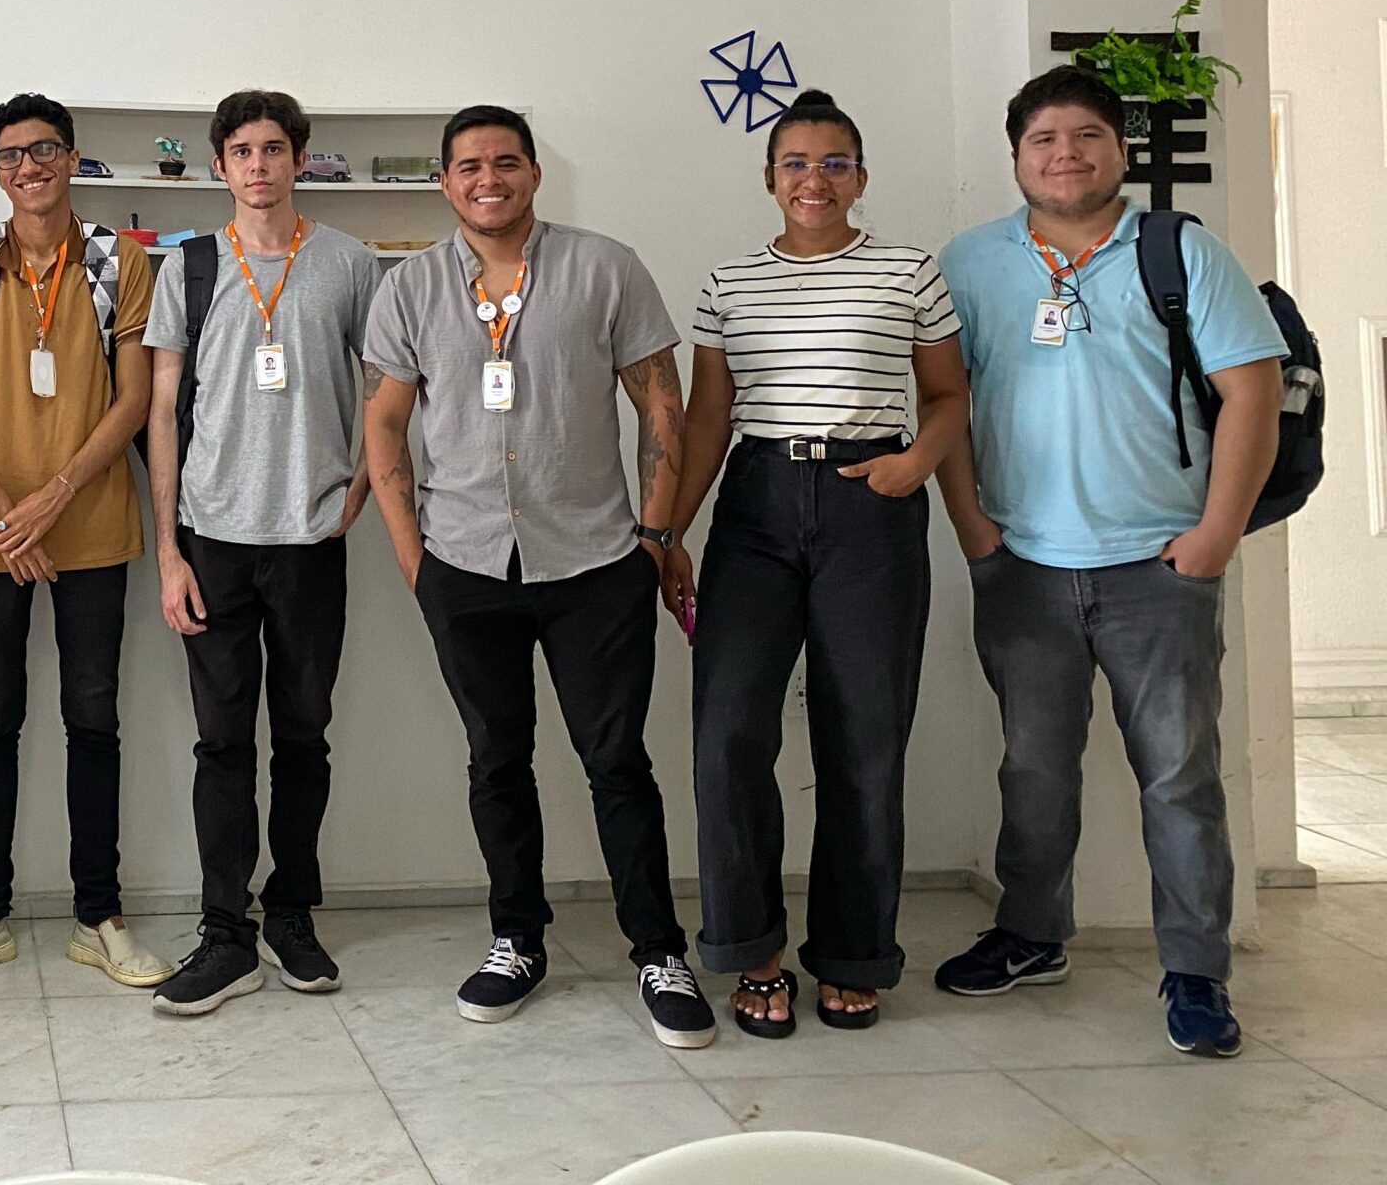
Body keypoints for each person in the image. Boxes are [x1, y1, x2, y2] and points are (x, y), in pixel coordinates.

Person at [932, 65, 1284, 1059]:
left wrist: (1214, 536)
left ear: (1118, 151)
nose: (1065, 155)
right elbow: (947, 400)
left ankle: (1197, 973)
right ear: (1016, 157)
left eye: (1086, 136)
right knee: (1033, 770)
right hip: (1023, 565)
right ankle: (1032, 934)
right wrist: (972, 528)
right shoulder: (970, 262)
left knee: (1178, 777)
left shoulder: (1180, 250)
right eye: (1043, 139)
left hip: (1158, 569)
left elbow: (1253, 393)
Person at [361, 103, 716, 1049]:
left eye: (507, 162)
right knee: (496, 760)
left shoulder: (606, 268)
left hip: (595, 561)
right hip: (465, 562)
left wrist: (656, 536)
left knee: (618, 763)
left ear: (533, 173)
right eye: (470, 166)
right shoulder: (409, 289)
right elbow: (385, 424)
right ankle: (518, 939)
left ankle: (658, 950)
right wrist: (413, 558)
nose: (490, 179)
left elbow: (662, 403)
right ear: (445, 181)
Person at [667, 88, 968, 1037]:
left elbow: (949, 395)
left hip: (867, 503)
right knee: (728, 733)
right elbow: (709, 417)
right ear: (770, 179)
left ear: (860, 176)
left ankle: (852, 953)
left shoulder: (907, 271)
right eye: (796, 163)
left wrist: (912, 466)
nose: (815, 179)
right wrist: (669, 531)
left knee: (863, 737)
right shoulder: (729, 283)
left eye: (834, 163)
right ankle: (751, 948)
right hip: (755, 505)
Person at [0, 93, 173, 992]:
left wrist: (52, 498)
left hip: (91, 525)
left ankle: (99, 916)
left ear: (71, 157)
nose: (30, 166)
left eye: (46, 149)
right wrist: (3, 513)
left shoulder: (116, 260)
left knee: (93, 717)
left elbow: (134, 400)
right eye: (13, 154)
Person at [144, 90, 379, 1017]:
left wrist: (366, 483)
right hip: (214, 538)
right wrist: (167, 550)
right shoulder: (190, 266)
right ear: (219, 166)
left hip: (311, 537)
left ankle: (291, 915)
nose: (258, 165)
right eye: (241, 151)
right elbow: (163, 412)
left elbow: (386, 386)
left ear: (299, 159)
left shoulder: (349, 263)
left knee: (305, 735)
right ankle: (224, 932)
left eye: (274, 148)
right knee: (222, 742)